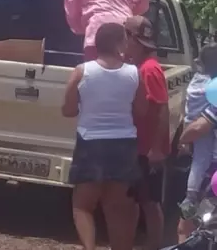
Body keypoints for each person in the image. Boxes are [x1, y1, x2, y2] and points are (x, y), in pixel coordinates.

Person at [61, 23, 146, 250]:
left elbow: (68, 110)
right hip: (124, 144)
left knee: (83, 206)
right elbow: (141, 111)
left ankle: (89, 247)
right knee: (118, 208)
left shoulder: (82, 71)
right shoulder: (134, 73)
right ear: (119, 43)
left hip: (91, 143)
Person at [124, 15, 169, 250]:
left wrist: (157, 148)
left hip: (147, 150)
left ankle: (154, 245)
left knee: (150, 203)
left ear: (134, 39)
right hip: (139, 147)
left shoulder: (150, 70)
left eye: (126, 36)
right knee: (134, 200)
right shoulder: (141, 68)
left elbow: (162, 109)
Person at [176, 45, 217, 235]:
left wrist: (183, 139)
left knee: (187, 225)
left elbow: (197, 127)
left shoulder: (199, 86)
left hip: (209, 167)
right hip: (209, 165)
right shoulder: (209, 91)